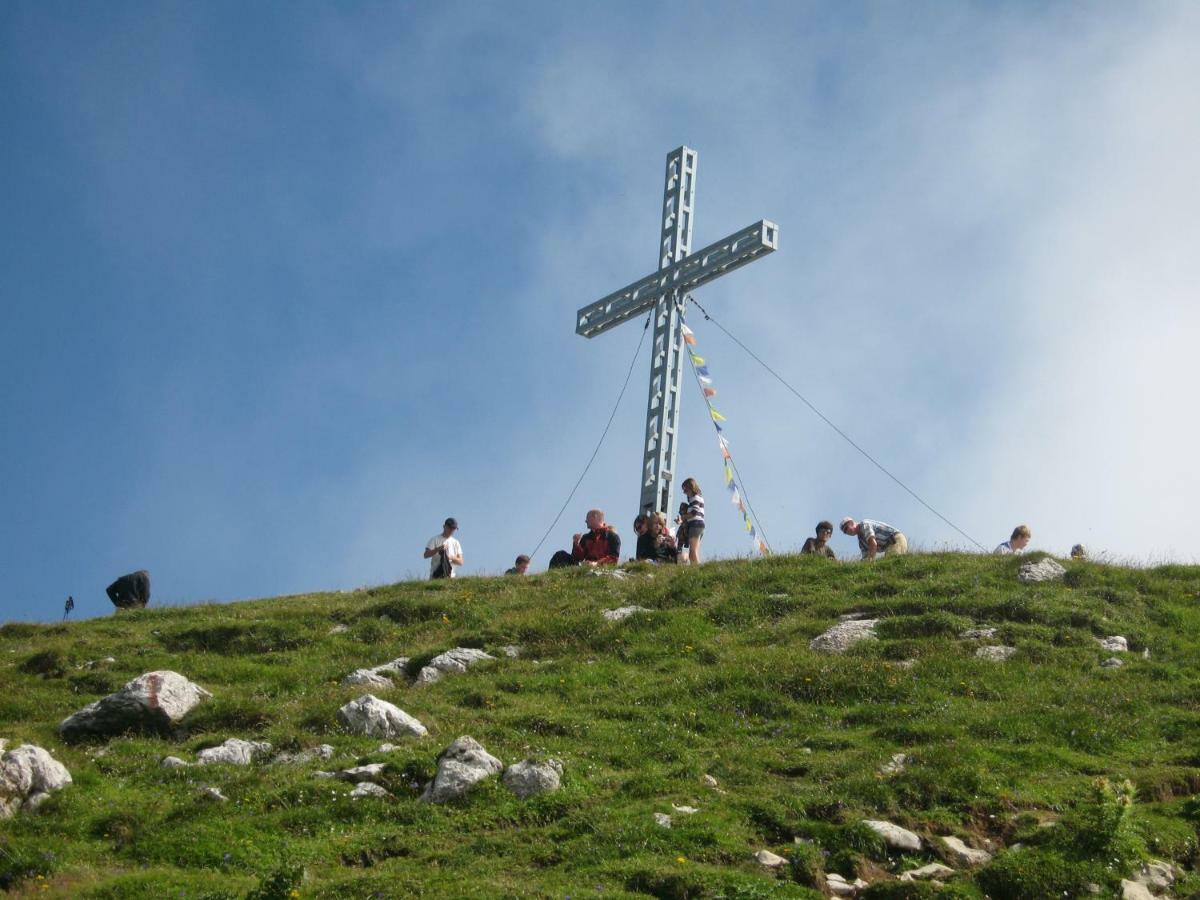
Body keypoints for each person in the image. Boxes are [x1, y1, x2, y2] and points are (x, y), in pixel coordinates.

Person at [548, 509, 621, 569]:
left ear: (595, 517)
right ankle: (549, 581)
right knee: (560, 555)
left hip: (601, 568)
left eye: (587, 518)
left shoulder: (612, 536)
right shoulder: (586, 537)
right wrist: (576, 544)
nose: (585, 521)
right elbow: (577, 558)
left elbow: (614, 558)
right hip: (585, 566)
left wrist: (596, 564)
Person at [840, 517, 907, 560]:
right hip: (889, 546)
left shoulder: (864, 524)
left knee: (891, 561)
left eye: (846, 528)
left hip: (895, 539)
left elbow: (872, 544)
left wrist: (870, 561)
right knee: (888, 563)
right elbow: (865, 557)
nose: (847, 532)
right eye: (845, 532)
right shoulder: (861, 541)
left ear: (851, 523)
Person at [681, 478, 705, 564]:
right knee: (693, 551)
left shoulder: (695, 498)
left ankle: (697, 569)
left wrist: (683, 517)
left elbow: (694, 512)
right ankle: (696, 568)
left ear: (691, 487)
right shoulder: (697, 498)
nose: (684, 492)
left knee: (693, 552)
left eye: (685, 490)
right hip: (698, 525)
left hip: (695, 525)